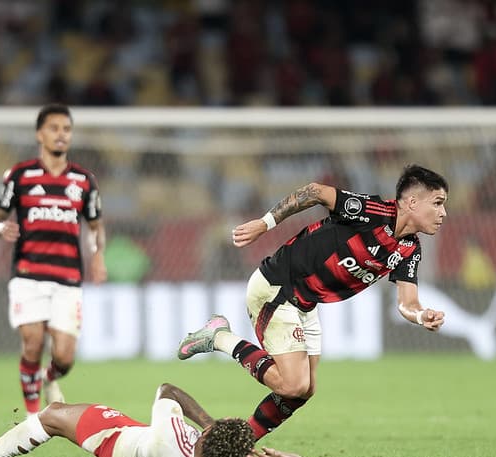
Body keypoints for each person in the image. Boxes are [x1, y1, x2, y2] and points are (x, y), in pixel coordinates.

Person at [178, 164, 448, 439]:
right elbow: (316, 191)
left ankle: (239, 443)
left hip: (306, 302)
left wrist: (421, 315)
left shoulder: (410, 248)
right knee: (293, 385)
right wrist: (265, 223)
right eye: (437, 203)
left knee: (304, 391)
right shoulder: (372, 212)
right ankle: (220, 337)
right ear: (412, 202)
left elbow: (407, 302)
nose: (443, 213)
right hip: (278, 287)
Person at [0, 103, 107, 414]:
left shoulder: (84, 181)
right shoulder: (21, 175)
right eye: (54, 128)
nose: (61, 135)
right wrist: (0, 228)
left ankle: (48, 376)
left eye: (66, 129)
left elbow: (95, 226)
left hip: (67, 276)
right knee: (32, 342)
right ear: (40, 134)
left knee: (65, 357)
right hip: (28, 273)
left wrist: (98, 256)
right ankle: (31, 414)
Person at [0, 383, 312, 457]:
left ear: (204, 438)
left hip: (119, 443)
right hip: (140, 454)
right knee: (64, 413)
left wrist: (207, 420)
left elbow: (168, 390)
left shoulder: (173, 437)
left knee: (52, 415)